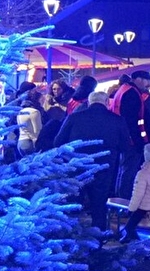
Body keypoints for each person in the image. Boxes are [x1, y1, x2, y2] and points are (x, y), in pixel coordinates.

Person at [52, 89, 129, 232]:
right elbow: (125, 146)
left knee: (74, 202)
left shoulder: (74, 117)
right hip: (104, 166)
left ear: (89, 102)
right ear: (107, 102)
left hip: (78, 165)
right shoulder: (117, 120)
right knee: (99, 204)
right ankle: (98, 236)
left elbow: (58, 142)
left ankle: (71, 234)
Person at [114, 70, 150, 198]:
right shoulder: (132, 94)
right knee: (129, 170)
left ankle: (120, 196)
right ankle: (125, 198)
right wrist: (138, 140)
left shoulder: (124, 90)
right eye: (147, 83)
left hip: (123, 137)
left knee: (124, 169)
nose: (147, 87)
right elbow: (132, 120)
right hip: (131, 139)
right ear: (139, 79)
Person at [120, 143, 150, 243]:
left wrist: (131, 209)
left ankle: (133, 239)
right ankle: (130, 237)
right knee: (141, 208)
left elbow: (137, 194)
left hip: (146, 206)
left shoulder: (143, 173)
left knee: (131, 222)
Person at [13, 82, 43, 159]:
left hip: (20, 140)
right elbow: (37, 130)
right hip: (29, 141)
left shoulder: (18, 104)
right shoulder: (32, 109)